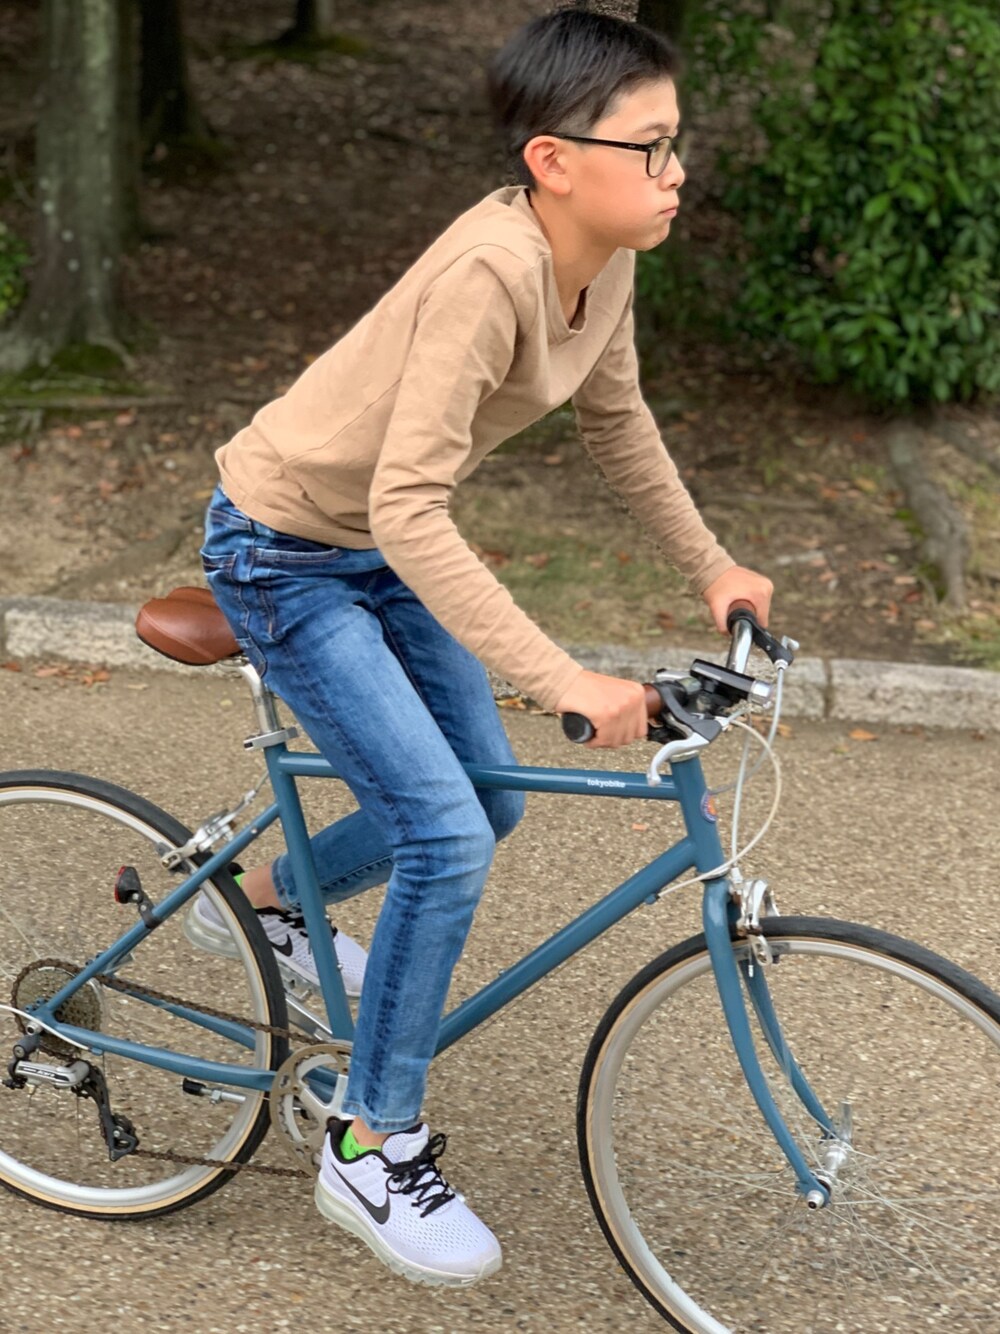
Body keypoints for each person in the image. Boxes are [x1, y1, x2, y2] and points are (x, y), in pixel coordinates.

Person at [194, 7, 772, 1288]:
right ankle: (369, 1139)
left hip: (374, 544)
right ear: (553, 161)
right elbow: (409, 506)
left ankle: (265, 898)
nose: (677, 171)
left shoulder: (604, 258)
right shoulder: (490, 271)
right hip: (285, 549)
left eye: (678, 142)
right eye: (650, 146)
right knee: (445, 833)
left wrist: (712, 565)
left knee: (489, 799)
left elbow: (616, 422)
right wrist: (562, 678)